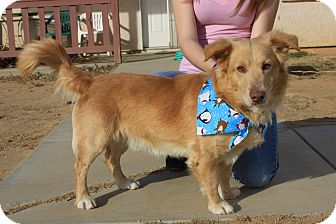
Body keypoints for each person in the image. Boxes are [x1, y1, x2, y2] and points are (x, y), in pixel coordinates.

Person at [152, 0, 280, 188]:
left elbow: (258, 45)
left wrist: (234, 74)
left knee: (257, 176)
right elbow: (187, 40)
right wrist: (218, 71)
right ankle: (185, 143)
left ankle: (219, 148)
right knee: (151, 86)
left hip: (241, 77)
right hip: (197, 72)